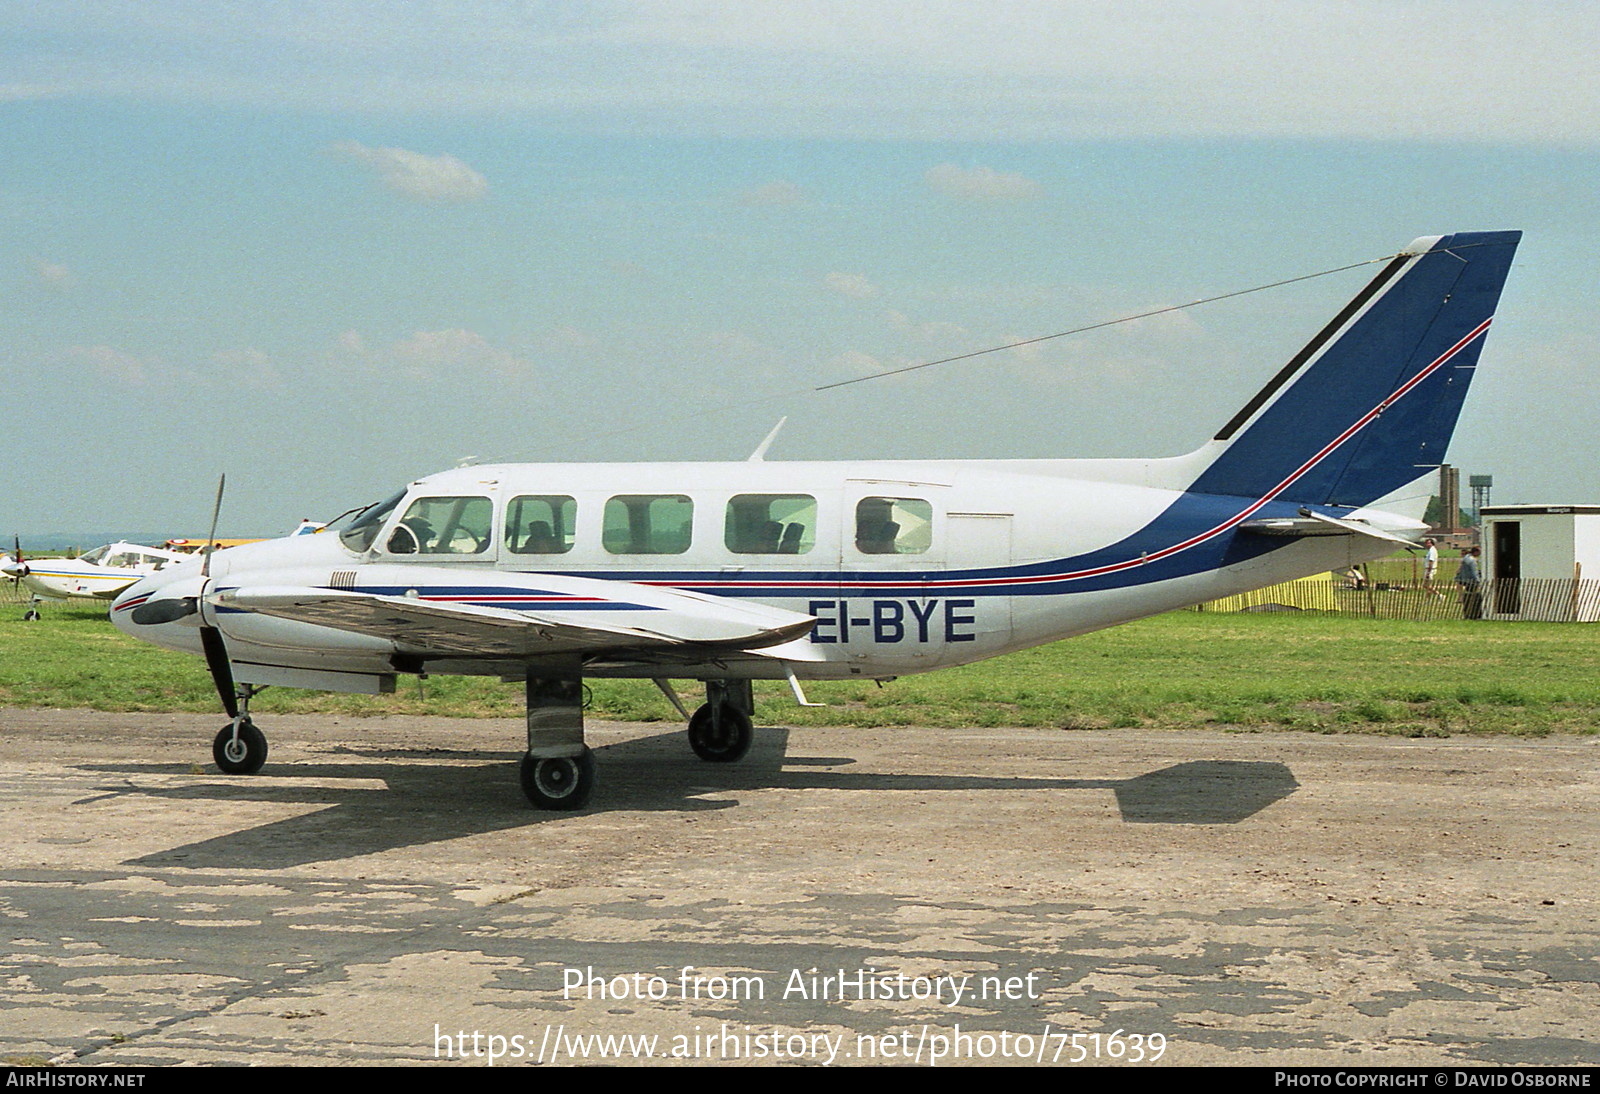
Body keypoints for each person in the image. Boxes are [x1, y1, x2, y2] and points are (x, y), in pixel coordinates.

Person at [1456, 546, 1483, 619]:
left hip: (1465, 580)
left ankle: (1468, 611)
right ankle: (1473, 612)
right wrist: (1478, 581)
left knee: (1468, 595)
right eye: (1479, 552)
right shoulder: (1472, 560)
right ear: (1476, 552)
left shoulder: (1466, 557)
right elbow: (1474, 572)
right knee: (1474, 596)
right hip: (1472, 581)